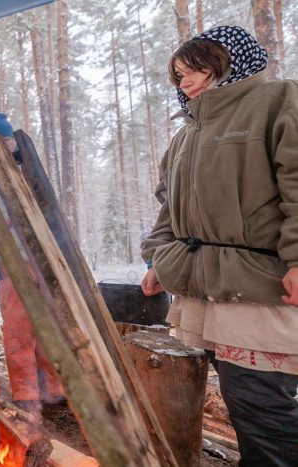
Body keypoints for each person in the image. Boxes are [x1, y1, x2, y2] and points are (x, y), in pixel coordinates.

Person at [140, 26, 298, 466]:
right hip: (201, 283)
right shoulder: (187, 132)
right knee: (236, 399)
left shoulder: (276, 100)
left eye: (195, 68)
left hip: (257, 283)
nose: (184, 80)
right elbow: (169, 208)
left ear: (229, 61)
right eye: (178, 74)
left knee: (262, 404)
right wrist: (158, 259)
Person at [0, 113, 64, 423]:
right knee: (18, 327)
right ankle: (26, 395)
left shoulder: (28, 164)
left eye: (9, 138)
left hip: (41, 256)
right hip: (10, 258)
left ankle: (53, 388)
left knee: (50, 322)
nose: (8, 143)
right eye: (2, 139)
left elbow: (49, 207)